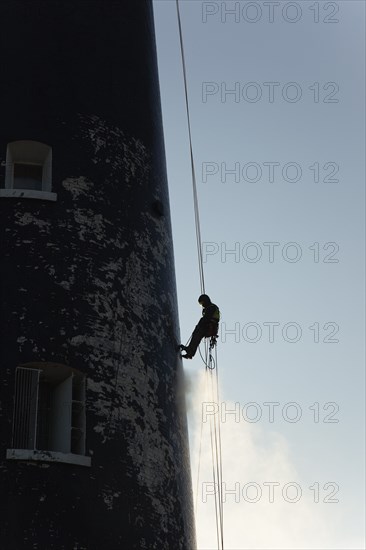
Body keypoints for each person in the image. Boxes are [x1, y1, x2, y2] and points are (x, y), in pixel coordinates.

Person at [180, 294, 220, 359]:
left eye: (202, 302)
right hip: (210, 326)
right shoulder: (211, 307)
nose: (202, 305)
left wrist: (201, 324)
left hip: (209, 326)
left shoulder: (211, 308)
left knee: (197, 335)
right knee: (196, 334)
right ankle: (190, 351)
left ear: (205, 301)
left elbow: (207, 318)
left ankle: (190, 352)